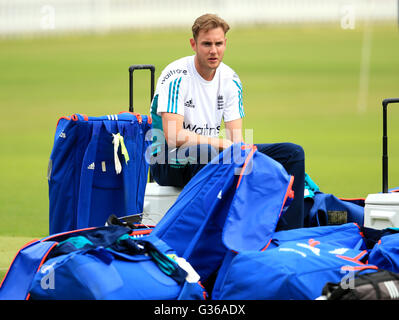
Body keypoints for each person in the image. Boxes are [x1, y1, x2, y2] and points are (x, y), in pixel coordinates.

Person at [149, 13, 305, 230]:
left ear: (225, 43)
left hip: (211, 152)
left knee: (292, 153)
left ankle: (287, 236)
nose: (213, 50)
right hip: (166, 159)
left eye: (218, 43)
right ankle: (213, 235)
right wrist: (223, 146)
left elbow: (236, 140)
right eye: (206, 44)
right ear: (193, 44)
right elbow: (174, 137)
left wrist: (244, 154)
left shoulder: (231, 80)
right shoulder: (176, 76)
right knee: (209, 153)